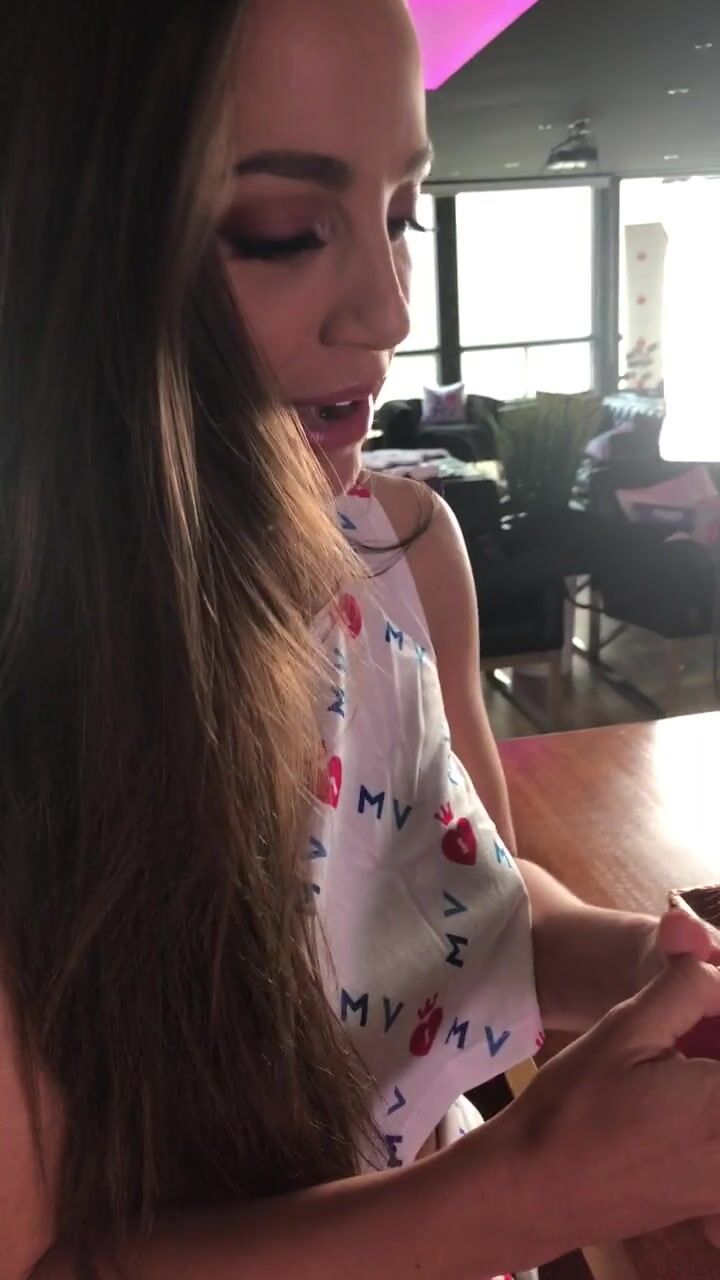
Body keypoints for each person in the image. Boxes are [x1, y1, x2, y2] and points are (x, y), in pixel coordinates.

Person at [4, 3, 720, 1280]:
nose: (387, 310)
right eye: (285, 229)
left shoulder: (400, 548)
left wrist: (640, 965)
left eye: (402, 215)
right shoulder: (32, 686)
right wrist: (531, 1189)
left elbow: (467, 894)